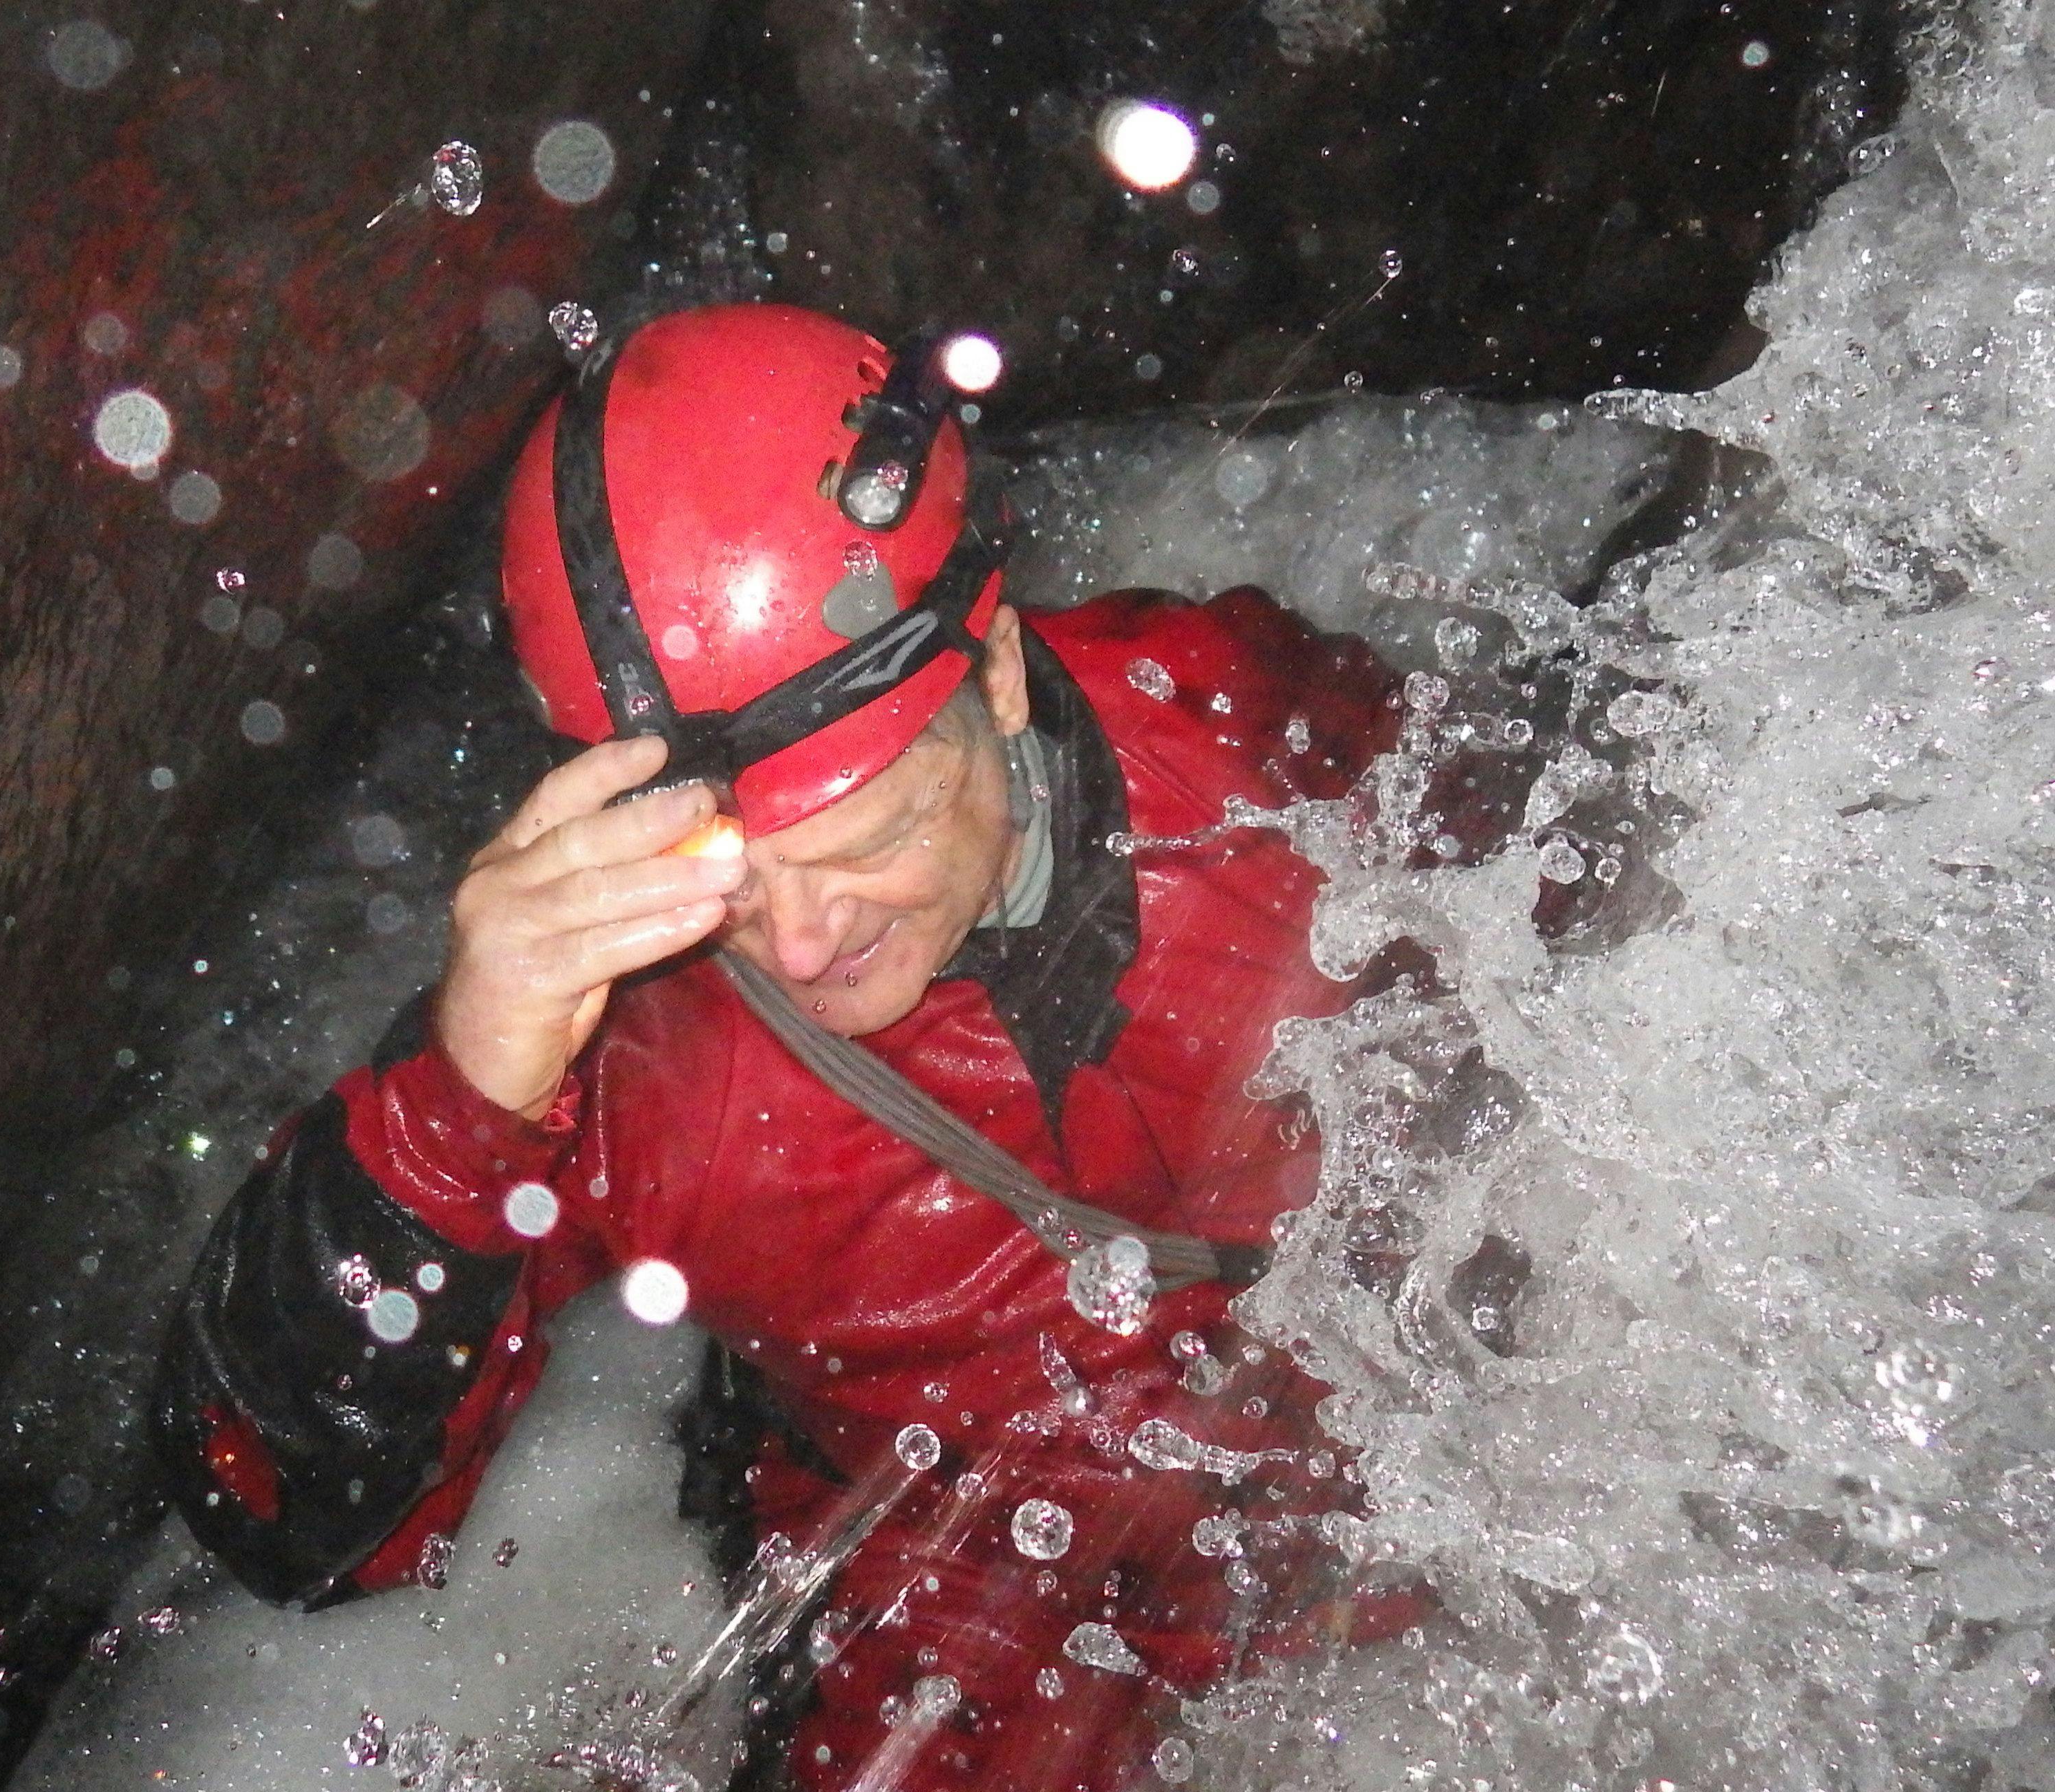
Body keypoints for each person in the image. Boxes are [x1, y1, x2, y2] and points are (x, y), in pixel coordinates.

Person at [153, 303, 1431, 1791]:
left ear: (999, 674)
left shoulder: (1233, 733)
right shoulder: (619, 1052)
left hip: (1380, 1492)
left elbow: (1559, 902)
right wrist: (458, 1109)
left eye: (870, 834)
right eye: (730, 878)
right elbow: (293, 1531)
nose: (805, 945)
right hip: (963, 1609)